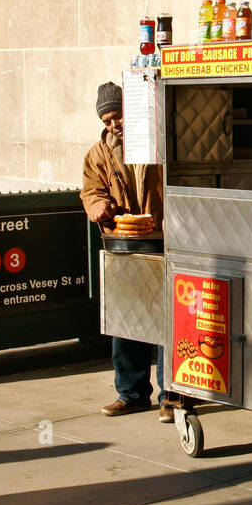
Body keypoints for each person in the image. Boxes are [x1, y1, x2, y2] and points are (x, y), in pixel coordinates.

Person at [80, 81, 171, 422]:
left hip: (161, 239)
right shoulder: (98, 155)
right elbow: (90, 191)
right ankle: (131, 393)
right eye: (106, 121)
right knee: (126, 320)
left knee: (165, 321)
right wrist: (100, 206)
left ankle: (169, 394)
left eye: (116, 116)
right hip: (123, 243)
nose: (113, 125)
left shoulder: (157, 143)